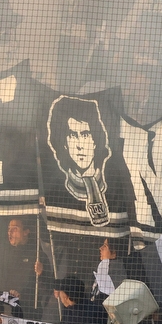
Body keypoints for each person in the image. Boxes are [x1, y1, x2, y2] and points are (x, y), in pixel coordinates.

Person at [47, 96, 113, 226]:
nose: (79, 145)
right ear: (64, 144)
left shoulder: (115, 176)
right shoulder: (56, 192)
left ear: (96, 140)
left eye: (85, 134)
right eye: (72, 135)